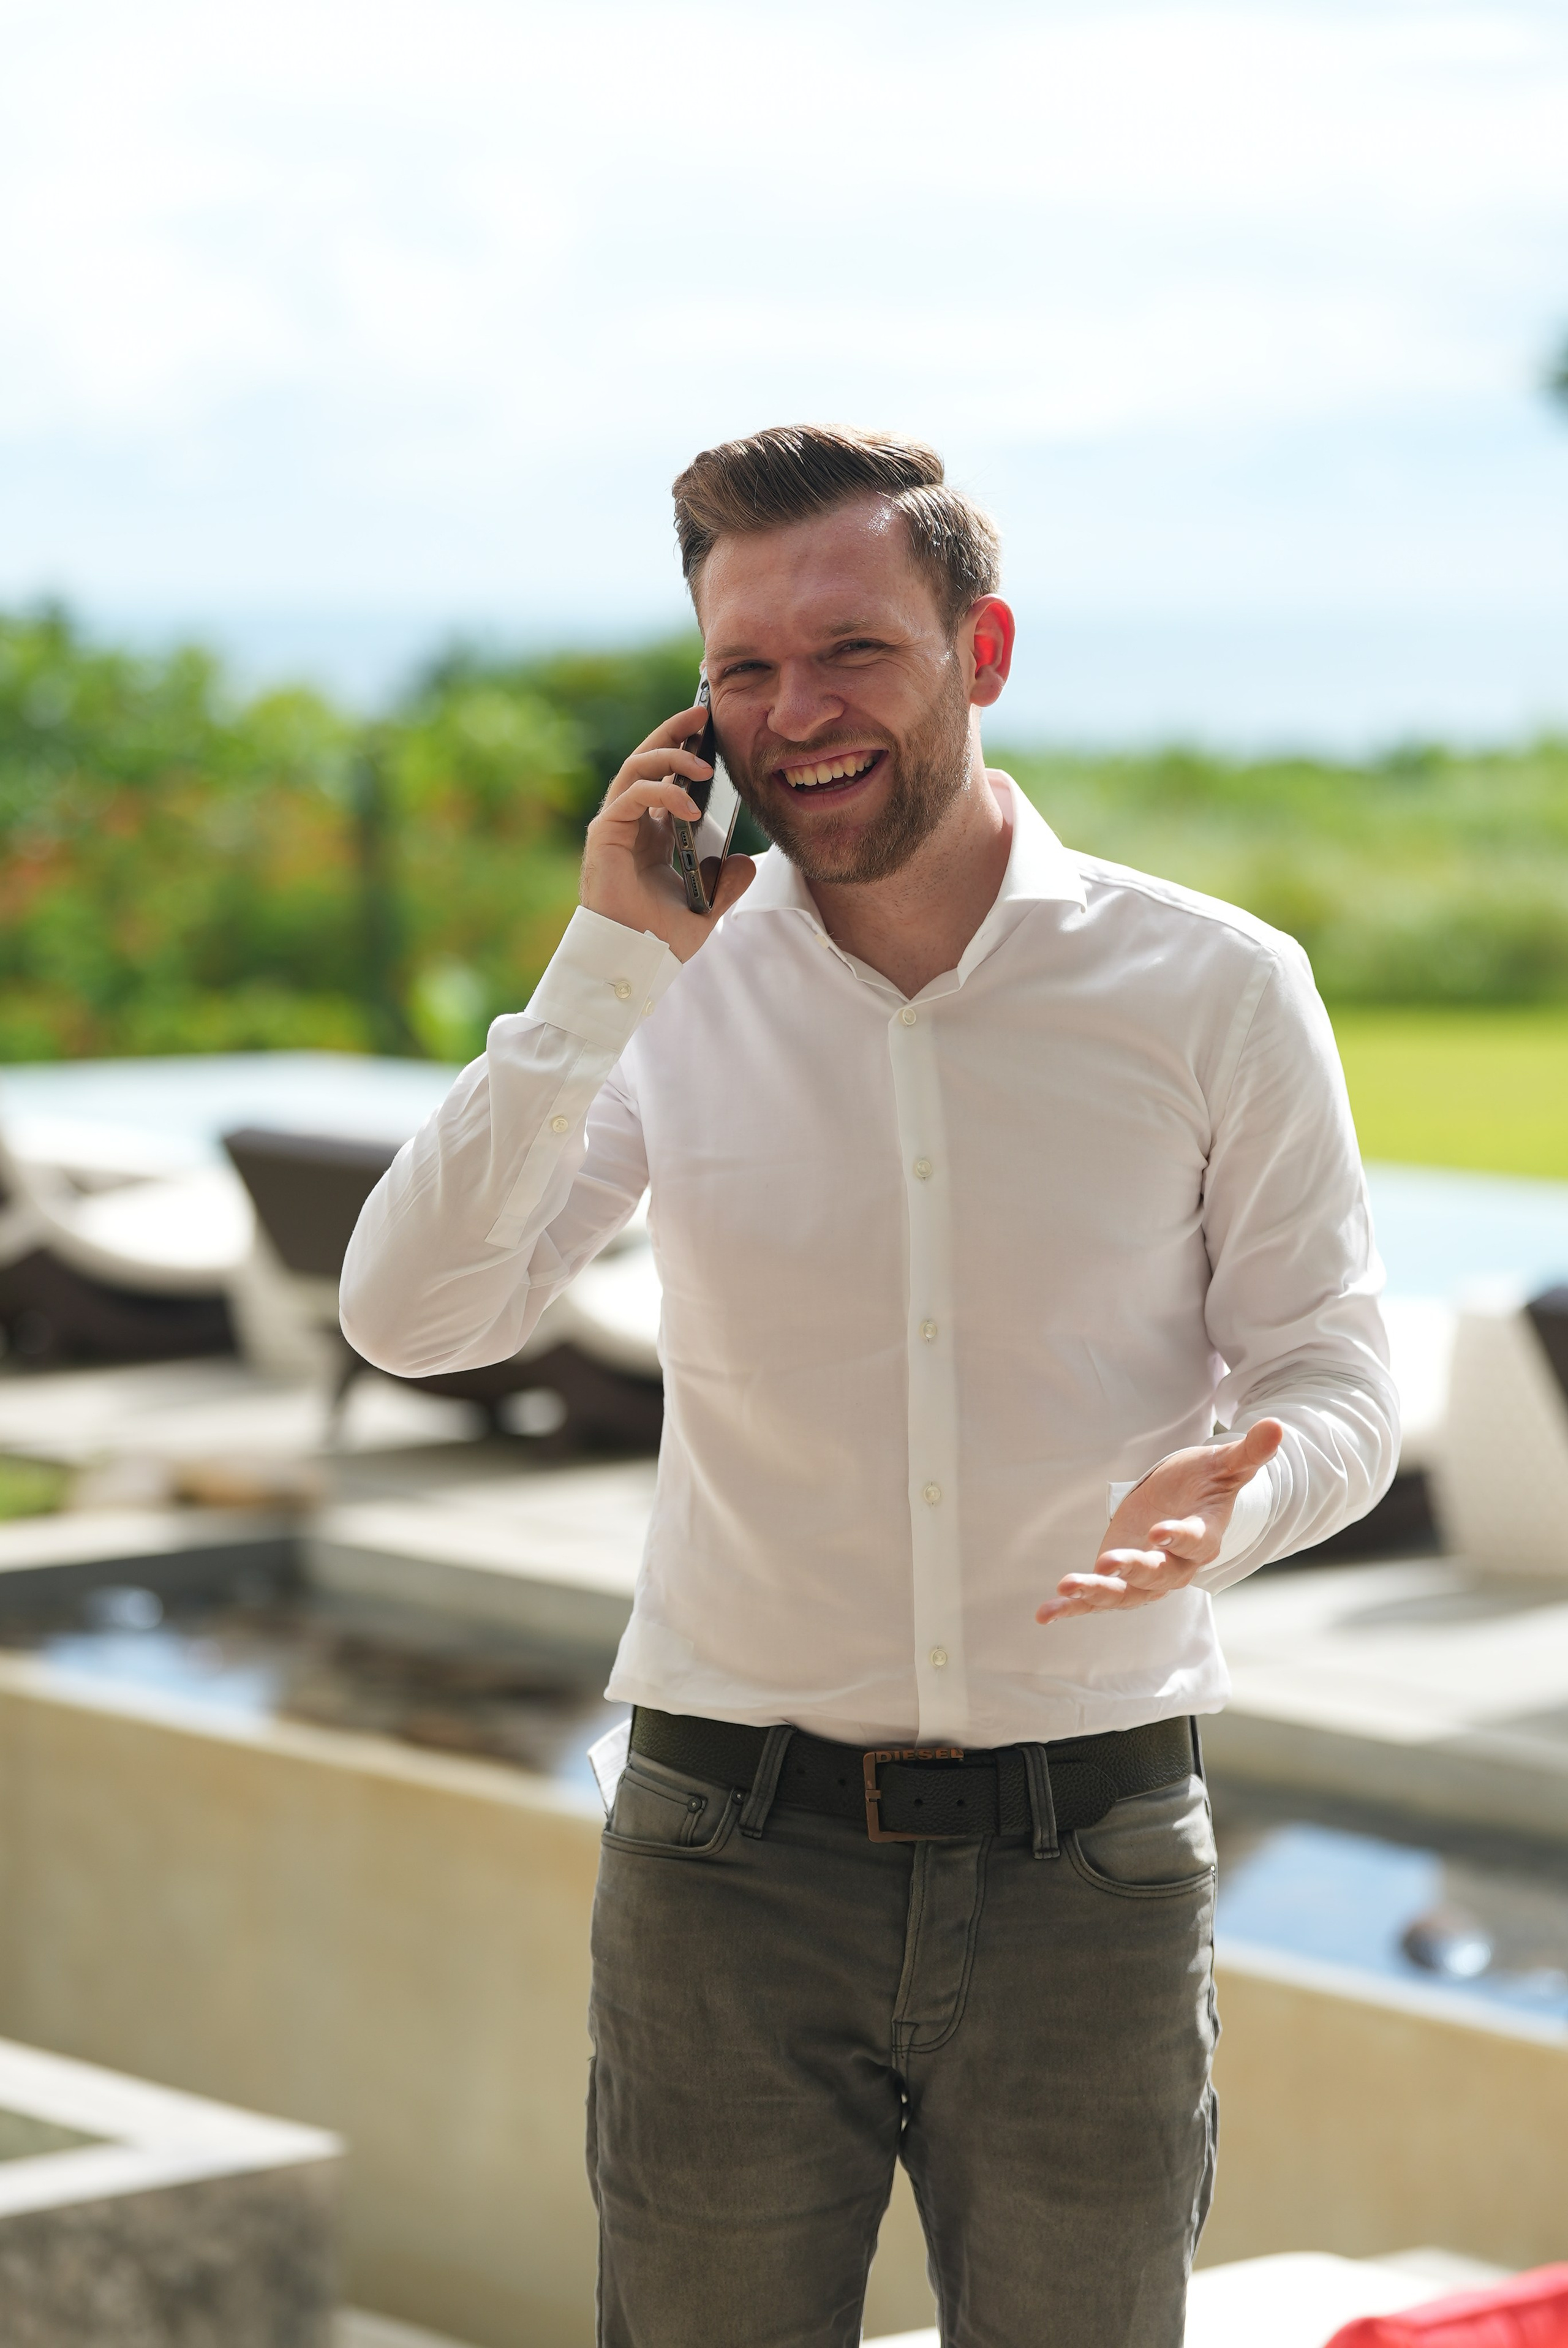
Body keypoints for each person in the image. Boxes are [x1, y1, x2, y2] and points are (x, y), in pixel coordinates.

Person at [341, 424, 1398, 2348]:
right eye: (744, 668)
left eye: (853, 652)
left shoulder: (1216, 987)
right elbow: (413, 1315)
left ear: (982, 652)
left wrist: (1243, 1501)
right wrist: (599, 968)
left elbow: (1333, 1373)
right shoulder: (664, 993)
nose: (795, 714)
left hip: (1092, 1861)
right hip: (723, 1858)